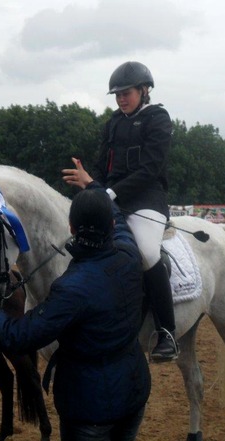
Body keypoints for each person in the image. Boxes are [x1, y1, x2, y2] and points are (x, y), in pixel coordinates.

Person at [0, 184, 151, 441]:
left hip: (89, 411)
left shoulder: (71, 288)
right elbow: (124, 229)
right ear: (112, 226)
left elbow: (19, 336)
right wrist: (94, 186)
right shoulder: (129, 255)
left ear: (71, 228)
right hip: (134, 394)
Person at [69, 60, 178, 362]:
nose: (120, 99)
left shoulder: (158, 118)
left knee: (145, 251)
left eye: (125, 93)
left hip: (147, 199)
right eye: (116, 95)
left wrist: (109, 193)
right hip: (111, 199)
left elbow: (150, 168)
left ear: (144, 91)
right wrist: (92, 186)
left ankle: (166, 331)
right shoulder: (113, 123)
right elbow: (104, 167)